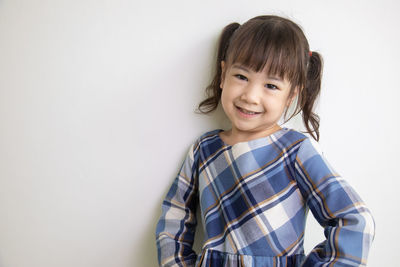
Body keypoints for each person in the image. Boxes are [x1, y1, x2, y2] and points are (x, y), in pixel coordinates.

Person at [155, 15, 375, 267]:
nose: (250, 96)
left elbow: (355, 219)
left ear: (292, 94)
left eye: (270, 85)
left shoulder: (295, 150)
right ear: (223, 73)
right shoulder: (204, 150)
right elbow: (173, 220)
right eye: (241, 77)